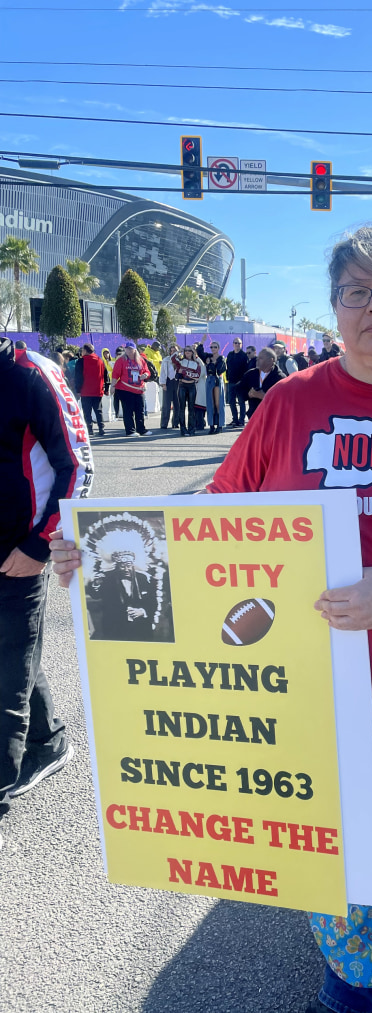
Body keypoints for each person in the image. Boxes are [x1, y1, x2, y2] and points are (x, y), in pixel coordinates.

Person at [50, 224, 372, 1013]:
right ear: (334, 307)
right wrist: (100, 553)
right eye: (356, 291)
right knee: (336, 870)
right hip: (302, 703)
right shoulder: (289, 403)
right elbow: (214, 522)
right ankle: (355, 991)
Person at [1, 338, 92, 846]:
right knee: (18, 657)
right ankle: (48, 741)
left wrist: (40, 545)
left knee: (7, 667)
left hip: (16, 556)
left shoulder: (31, 371)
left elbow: (77, 464)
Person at [111, 342, 152, 437]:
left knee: (140, 410)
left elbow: (147, 370)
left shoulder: (140, 360)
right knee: (128, 411)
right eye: (127, 349)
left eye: (130, 349)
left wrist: (145, 375)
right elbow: (115, 374)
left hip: (139, 389)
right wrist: (113, 386)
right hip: (125, 389)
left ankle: (141, 429)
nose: (128, 350)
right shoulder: (121, 360)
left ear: (135, 349)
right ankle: (130, 430)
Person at [237, 345, 284, 419]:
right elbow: (239, 390)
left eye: (261, 358)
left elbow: (284, 400)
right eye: (258, 358)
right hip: (254, 417)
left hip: (273, 418)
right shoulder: (251, 374)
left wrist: (264, 396)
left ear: (271, 360)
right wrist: (249, 394)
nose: (257, 360)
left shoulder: (280, 378)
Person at [74, 342, 107, 437]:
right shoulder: (100, 360)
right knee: (98, 410)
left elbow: (78, 377)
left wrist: (78, 390)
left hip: (86, 391)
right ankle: (101, 428)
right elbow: (105, 375)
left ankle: (90, 429)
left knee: (87, 412)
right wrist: (106, 388)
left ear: (85, 351)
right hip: (98, 390)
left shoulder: (81, 361)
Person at [172, 345, 202, 437]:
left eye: (189, 350)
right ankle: (183, 429)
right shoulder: (181, 361)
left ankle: (191, 429)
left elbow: (197, 376)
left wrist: (184, 372)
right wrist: (180, 350)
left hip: (192, 386)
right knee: (181, 408)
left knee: (191, 408)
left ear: (193, 352)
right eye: (186, 350)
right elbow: (172, 358)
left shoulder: (196, 363)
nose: (187, 352)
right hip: (182, 386)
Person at [225, 337, 248, 427]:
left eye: (239, 343)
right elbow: (228, 367)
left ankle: (241, 420)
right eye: (235, 343)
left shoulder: (244, 355)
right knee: (231, 401)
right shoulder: (230, 354)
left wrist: (244, 381)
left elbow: (246, 369)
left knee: (241, 402)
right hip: (231, 381)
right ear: (233, 344)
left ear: (241, 344)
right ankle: (234, 419)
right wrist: (227, 377)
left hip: (241, 382)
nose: (237, 344)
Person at [205, 341, 227, 434]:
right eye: (211, 347)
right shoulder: (208, 357)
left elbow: (219, 369)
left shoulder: (221, 358)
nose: (213, 349)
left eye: (215, 347)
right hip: (209, 379)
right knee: (210, 403)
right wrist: (202, 342)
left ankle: (220, 425)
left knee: (218, 403)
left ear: (218, 348)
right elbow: (199, 351)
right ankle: (211, 425)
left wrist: (212, 363)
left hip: (218, 379)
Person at [159, 343, 180, 430]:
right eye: (171, 350)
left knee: (177, 404)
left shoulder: (180, 360)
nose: (173, 352)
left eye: (175, 350)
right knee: (166, 405)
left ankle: (175, 423)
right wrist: (163, 384)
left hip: (178, 382)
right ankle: (164, 423)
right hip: (168, 382)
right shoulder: (166, 360)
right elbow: (163, 372)